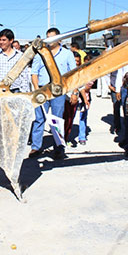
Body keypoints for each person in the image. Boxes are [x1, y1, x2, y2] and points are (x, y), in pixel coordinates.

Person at [29, 27, 77, 160]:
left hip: (58, 92)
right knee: (39, 119)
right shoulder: (41, 53)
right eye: (48, 38)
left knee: (56, 120)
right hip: (42, 91)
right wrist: (36, 89)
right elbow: (34, 73)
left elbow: (73, 74)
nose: (50, 41)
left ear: (59, 39)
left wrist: (75, 92)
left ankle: (59, 148)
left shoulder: (67, 54)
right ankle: (36, 147)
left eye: (53, 38)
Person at [0, 29, 30, 93]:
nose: (1, 42)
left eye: (4, 40)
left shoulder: (20, 55)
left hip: (15, 90)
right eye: (0, 40)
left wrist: (23, 92)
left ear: (11, 40)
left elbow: (24, 75)